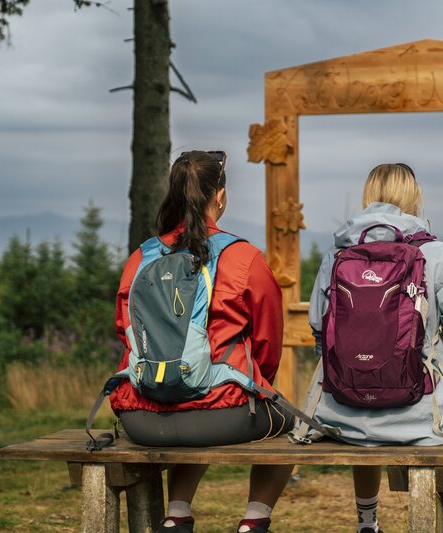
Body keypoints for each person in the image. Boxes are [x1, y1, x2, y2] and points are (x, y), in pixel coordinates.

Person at [299, 163, 443, 533]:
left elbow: (321, 335)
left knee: (364, 412)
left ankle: (367, 523)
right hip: (424, 421)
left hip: (343, 417)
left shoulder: (335, 256)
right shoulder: (439, 255)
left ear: (368, 197)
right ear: (414, 197)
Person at [109, 150, 294, 533]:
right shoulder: (242, 257)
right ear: (220, 196)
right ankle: (253, 523)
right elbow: (267, 342)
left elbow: (122, 329)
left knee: (190, 396)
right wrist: (251, 381)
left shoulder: (141, 258)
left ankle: (177, 515)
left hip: (141, 417)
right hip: (220, 418)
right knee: (289, 423)